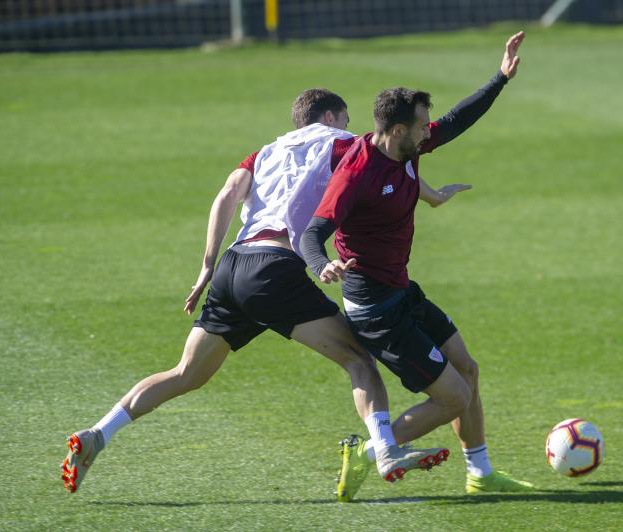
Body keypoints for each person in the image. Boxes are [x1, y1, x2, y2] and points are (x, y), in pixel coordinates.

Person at [61, 89, 448, 494]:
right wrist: (434, 196)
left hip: (233, 266)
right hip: (274, 271)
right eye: (346, 119)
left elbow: (228, 194)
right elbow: (383, 164)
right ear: (330, 117)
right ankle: (385, 451)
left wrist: (207, 266)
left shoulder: (265, 152)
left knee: (186, 373)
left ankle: (98, 433)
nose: (351, 128)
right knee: (359, 360)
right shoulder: (343, 143)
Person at [300, 31, 535, 501]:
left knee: (467, 369)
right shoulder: (357, 174)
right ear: (398, 130)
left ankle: (480, 473)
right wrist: (322, 265)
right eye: (422, 126)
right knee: (454, 396)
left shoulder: (408, 148)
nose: (430, 132)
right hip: (375, 310)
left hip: (402, 290)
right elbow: (312, 233)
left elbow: (457, 120)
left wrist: (501, 78)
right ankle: (371, 452)